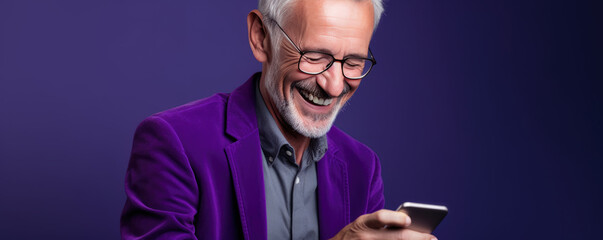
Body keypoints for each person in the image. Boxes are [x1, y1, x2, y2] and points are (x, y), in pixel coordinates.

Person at [121, 0, 438, 239]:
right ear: (261, 37)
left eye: (353, 63)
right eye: (314, 57)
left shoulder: (363, 167)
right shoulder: (173, 142)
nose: (335, 85)